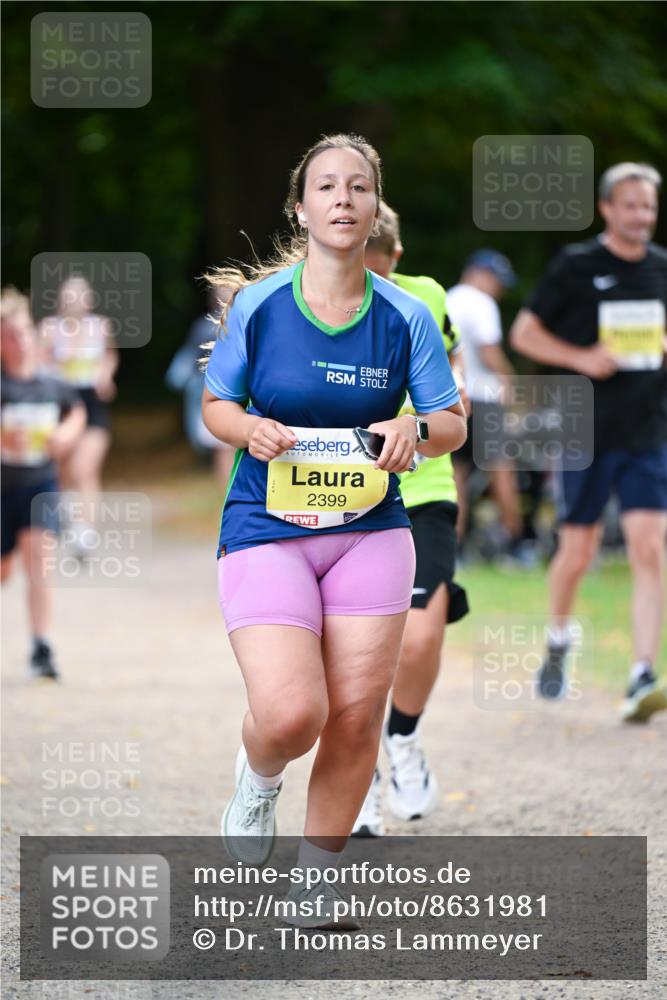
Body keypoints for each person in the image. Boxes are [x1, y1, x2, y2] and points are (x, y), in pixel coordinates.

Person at [201, 134, 466, 923]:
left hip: (371, 529)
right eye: (326, 186)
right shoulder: (259, 306)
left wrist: (413, 432)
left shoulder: (407, 316)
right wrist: (247, 429)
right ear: (301, 207)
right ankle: (257, 781)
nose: (343, 198)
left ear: (372, 206)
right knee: (292, 715)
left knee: (354, 716)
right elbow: (217, 405)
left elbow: (450, 421)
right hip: (267, 524)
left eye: (358, 187)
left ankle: (313, 883)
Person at [510, 162, 667, 722]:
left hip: (648, 431)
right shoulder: (577, 266)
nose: (641, 216)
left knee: (651, 547)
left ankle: (642, 673)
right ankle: (557, 639)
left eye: (648, 206)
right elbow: (524, 332)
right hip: (585, 429)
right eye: (630, 205)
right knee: (577, 552)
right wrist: (581, 358)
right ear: (607, 208)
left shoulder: (661, 269)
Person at [352, 201, 469, 836]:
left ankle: (402, 737)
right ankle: (361, 771)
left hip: (422, 485)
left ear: (395, 258)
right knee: (362, 647)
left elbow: (453, 379)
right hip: (348, 490)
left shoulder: (426, 298)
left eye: (377, 274)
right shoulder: (319, 301)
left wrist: (449, 402)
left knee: (421, 636)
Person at [1, 289, 85, 678]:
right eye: (7, 335)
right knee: (4, 572)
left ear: (32, 334)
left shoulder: (51, 383)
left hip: (40, 485)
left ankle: (41, 646)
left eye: (21, 332)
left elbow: (77, 410)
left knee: (38, 557)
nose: (16, 342)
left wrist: (67, 435)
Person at [447, 251, 524, 560]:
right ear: (480, 274)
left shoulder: (447, 298)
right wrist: (512, 381)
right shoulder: (481, 303)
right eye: (498, 281)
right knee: (501, 470)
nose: (499, 289)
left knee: (456, 475)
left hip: (456, 398)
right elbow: (489, 351)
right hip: (486, 399)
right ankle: (515, 545)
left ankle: (456, 547)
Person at [38, 276, 118, 553]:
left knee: (86, 468)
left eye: (79, 295)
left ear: (89, 299)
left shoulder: (101, 327)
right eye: (69, 296)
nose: (74, 301)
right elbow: (38, 362)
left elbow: (110, 356)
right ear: (61, 300)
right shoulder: (50, 329)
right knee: (63, 470)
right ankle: (61, 516)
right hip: (59, 404)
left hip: (92, 402)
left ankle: (85, 532)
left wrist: (106, 375)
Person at [166, 286, 235, 494]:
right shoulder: (210, 326)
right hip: (214, 392)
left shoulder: (203, 326)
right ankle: (229, 491)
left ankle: (229, 490)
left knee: (224, 446)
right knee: (224, 446)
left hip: (214, 392)